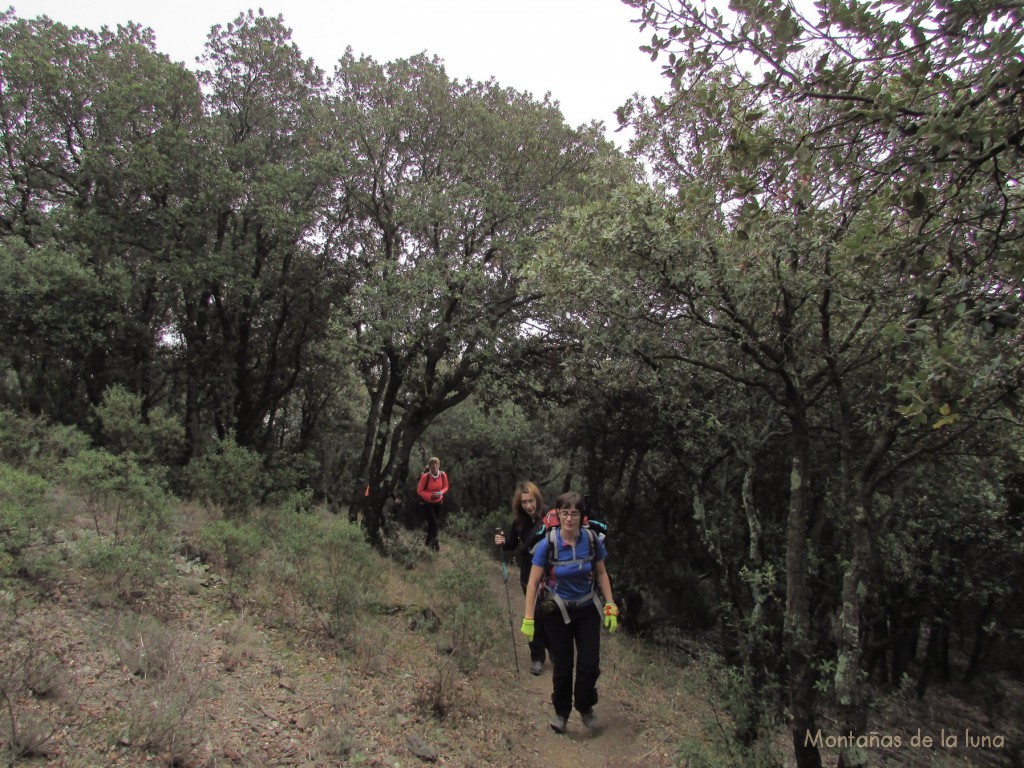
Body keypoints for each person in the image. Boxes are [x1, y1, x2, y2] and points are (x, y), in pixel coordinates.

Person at [521, 491, 618, 735]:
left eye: (574, 513)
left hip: (587, 610)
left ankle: (585, 707)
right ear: (557, 514)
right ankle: (561, 714)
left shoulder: (592, 540)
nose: (569, 518)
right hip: (557, 612)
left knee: (589, 665)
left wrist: (610, 605)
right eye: (565, 513)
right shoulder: (548, 544)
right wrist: (529, 619)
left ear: (581, 516)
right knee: (563, 666)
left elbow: (602, 573)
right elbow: (532, 583)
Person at [494, 481, 548, 675]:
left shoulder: (550, 516)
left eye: (531, 501)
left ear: (537, 499)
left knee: (549, 613)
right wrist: (502, 542)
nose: (528, 506)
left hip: (550, 574)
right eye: (524, 502)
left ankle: (552, 647)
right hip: (528, 572)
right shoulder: (518, 522)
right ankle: (537, 657)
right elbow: (512, 544)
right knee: (532, 614)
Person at [416, 457, 448, 551]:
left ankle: (427, 542)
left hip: (439, 503)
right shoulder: (425, 476)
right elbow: (419, 491)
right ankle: (436, 545)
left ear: (439, 465)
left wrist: (441, 492)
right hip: (427, 503)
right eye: (432, 464)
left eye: (436, 464)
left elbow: (446, 486)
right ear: (429, 466)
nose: (434, 466)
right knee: (434, 523)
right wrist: (430, 496)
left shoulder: (443, 475)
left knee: (432, 524)